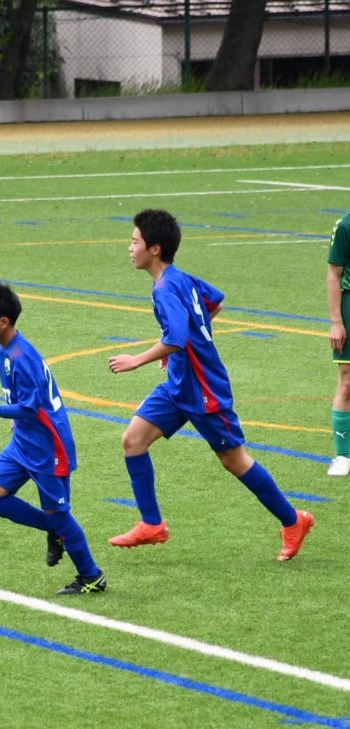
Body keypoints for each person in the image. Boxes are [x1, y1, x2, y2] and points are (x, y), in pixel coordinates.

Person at [107, 209, 313, 561]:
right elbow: (214, 301)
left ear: (155, 249)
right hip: (179, 385)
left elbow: (176, 336)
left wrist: (137, 359)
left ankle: (294, 520)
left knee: (234, 460)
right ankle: (152, 524)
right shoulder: (180, 278)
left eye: (135, 241)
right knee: (133, 441)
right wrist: (180, 348)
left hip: (204, 389)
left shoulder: (165, 289)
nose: (130, 247)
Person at [0, 282, 106, 595]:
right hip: (24, 441)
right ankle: (56, 529)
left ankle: (92, 577)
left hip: (48, 447)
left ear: (3, 322)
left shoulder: (21, 357)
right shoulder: (5, 348)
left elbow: (30, 407)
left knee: (59, 514)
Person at [326, 211, 350, 476]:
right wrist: (336, 321)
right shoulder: (346, 225)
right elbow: (334, 273)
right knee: (347, 381)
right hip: (349, 307)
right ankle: (343, 455)